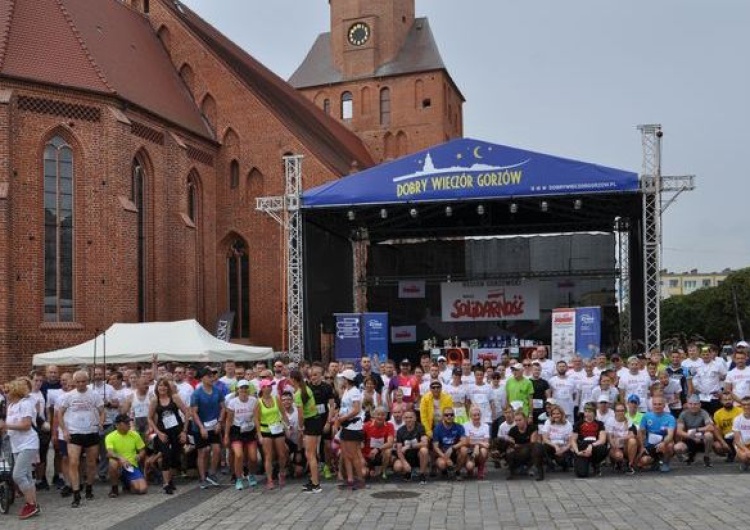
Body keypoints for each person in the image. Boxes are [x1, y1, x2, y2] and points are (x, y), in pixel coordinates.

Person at [58, 370, 105, 507]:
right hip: (74, 433)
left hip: (91, 432)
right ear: (74, 382)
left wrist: (101, 422)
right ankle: (76, 493)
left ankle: (89, 486)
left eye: (83, 381)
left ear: (87, 381)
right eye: (78, 382)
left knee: (91, 463)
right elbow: (60, 414)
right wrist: (64, 431)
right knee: (73, 462)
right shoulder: (69, 396)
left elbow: (102, 411)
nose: (80, 384)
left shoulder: (94, 395)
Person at [0, 378, 40, 519]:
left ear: (16, 391)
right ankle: (34, 503)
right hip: (16, 445)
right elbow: (9, 427)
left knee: (17, 475)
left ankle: (30, 505)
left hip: (29, 443)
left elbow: (26, 425)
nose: (5, 393)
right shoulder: (11, 406)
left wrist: (6, 426)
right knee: (27, 476)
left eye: (8, 390)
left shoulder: (26, 404)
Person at [149, 377, 190, 494]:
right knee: (165, 455)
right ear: (157, 388)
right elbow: (149, 418)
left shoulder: (175, 397)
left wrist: (184, 431)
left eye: (164, 385)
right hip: (163, 432)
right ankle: (166, 484)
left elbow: (186, 411)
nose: (162, 388)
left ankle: (170, 480)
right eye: (160, 385)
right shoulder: (154, 400)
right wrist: (158, 432)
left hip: (177, 431)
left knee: (175, 457)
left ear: (168, 387)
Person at [190, 367, 225, 489]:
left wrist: (220, 422)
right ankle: (202, 478)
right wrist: (201, 428)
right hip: (200, 427)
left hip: (214, 425)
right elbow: (194, 412)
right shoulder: (196, 393)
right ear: (202, 378)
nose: (212, 378)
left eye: (212, 376)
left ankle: (212, 473)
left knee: (216, 449)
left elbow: (223, 407)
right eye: (209, 376)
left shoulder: (217, 391)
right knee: (203, 451)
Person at [256, 378, 288, 490]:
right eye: (267, 386)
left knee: (282, 454)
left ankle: (282, 472)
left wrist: (287, 426)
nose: (269, 388)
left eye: (270, 386)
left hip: (278, 428)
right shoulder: (258, 402)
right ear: (262, 388)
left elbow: (283, 413)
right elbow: (256, 420)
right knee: (268, 455)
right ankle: (269, 479)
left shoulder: (276, 398)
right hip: (266, 430)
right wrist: (259, 435)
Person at [674, 395, 725, 467]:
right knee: (677, 447)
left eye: (695, 404)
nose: (693, 406)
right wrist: (692, 436)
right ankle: (688, 455)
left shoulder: (704, 413)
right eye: (690, 404)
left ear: (700, 405)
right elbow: (679, 431)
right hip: (689, 438)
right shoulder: (683, 414)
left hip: (702, 438)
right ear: (687, 404)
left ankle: (706, 457)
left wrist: (696, 430)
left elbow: (710, 427)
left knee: (709, 435)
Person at [105, 414, 148, 497]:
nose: (129, 425)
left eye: (129, 422)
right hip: (119, 465)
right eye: (126, 423)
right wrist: (121, 458)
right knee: (112, 462)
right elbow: (109, 453)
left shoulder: (135, 434)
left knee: (142, 489)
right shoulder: (110, 436)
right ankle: (114, 488)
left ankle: (127, 483)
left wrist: (139, 455)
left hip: (131, 465)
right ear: (117, 425)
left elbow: (142, 450)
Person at [336, 369, 366, 490]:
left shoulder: (354, 392)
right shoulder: (346, 391)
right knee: (346, 454)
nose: (341, 380)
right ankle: (350, 479)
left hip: (353, 426)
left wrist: (343, 418)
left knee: (353, 455)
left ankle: (360, 480)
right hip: (345, 425)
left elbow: (356, 409)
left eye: (342, 378)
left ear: (347, 379)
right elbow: (345, 407)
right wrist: (339, 417)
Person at [638, 395, 676, 472]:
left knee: (670, 444)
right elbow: (641, 433)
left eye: (659, 404)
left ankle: (665, 463)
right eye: (655, 404)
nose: (657, 406)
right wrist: (642, 446)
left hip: (664, 444)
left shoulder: (670, 418)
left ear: (664, 405)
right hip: (650, 444)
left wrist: (663, 443)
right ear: (652, 405)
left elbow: (670, 435)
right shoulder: (646, 416)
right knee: (643, 461)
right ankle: (655, 462)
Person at [505, 409, 545, 481]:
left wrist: (518, 445)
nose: (518, 422)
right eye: (516, 420)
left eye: (520, 420)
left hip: (530, 452)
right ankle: (514, 471)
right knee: (509, 452)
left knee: (536, 447)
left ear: (525, 419)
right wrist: (515, 446)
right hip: (518, 453)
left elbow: (532, 444)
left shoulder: (532, 428)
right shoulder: (512, 430)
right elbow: (511, 444)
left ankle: (539, 472)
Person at [570, 402, 608, 477]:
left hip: (594, 447)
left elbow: (602, 439)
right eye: (586, 411)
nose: (587, 414)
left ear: (594, 412)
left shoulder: (600, 424)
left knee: (602, 448)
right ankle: (581, 463)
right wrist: (577, 452)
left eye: (590, 411)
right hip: (582, 448)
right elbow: (573, 440)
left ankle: (595, 464)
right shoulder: (578, 424)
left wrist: (591, 446)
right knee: (582, 474)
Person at [394, 409, 429, 484]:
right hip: (406, 456)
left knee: (424, 450)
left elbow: (425, 443)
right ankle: (407, 472)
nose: (408, 420)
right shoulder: (400, 431)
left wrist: (409, 446)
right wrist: (404, 463)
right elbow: (399, 450)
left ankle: (422, 474)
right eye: (406, 418)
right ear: (403, 419)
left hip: (418, 456)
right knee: (397, 467)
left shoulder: (420, 427)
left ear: (415, 418)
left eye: (411, 417)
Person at [432, 407, 468, 480]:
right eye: (446, 415)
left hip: (455, 452)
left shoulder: (459, 426)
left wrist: (452, 448)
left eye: (451, 415)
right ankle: (444, 470)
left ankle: (457, 471)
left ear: (454, 416)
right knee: (442, 464)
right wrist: (446, 458)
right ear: (443, 416)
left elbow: (464, 441)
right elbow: (435, 447)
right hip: (442, 453)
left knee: (464, 449)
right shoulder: (437, 428)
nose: (449, 416)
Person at [361, 406, 395, 479]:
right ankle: (370, 468)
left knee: (388, 451)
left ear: (386, 416)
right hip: (367, 454)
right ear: (374, 415)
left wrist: (378, 449)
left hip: (380, 453)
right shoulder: (366, 426)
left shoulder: (390, 426)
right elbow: (359, 442)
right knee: (364, 474)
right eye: (378, 414)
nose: (380, 417)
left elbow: (390, 443)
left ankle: (383, 471)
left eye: (383, 415)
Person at [606, 402, 638, 474]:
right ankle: (617, 462)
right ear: (614, 412)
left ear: (625, 411)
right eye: (618, 411)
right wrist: (615, 447)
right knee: (618, 456)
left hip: (626, 446)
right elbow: (609, 437)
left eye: (622, 410)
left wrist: (620, 438)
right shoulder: (610, 420)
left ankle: (630, 465)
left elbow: (632, 435)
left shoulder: (629, 420)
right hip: (614, 446)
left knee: (632, 441)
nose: (620, 412)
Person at [541, 405, 573, 470]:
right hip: (551, 445)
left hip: (563, 446)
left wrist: (563, 449)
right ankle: (549, 463)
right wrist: (555, 446)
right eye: (553, 414)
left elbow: (571, 441)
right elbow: (545, 438)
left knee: (561, 461)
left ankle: (565, 463)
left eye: (558, 413)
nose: (556, 415)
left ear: (562, 414)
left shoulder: (568, 424)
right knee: (543, 447)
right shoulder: (548, 422)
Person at [714, 391, 742, 462]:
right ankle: (730, 453)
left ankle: (738, 453)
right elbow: (717, 430)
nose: (727, 401)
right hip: (726, 438)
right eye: (725, 400)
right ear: (721, 401)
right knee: (717, 445)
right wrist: (723, 442)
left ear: (733, 400)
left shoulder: (740, 411)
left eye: (729, 399)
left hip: (739, 436)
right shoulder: (717, 413)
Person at [464, 405, 490, 479]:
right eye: (474, 415)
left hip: (480, 449)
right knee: (469, 466)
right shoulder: (466, 425)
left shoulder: (486, 426)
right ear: (470, 416)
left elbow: (487, 444)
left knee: (484, 450)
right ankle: (470, 469)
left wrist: (477, 445)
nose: (477, 417)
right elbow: (467, 442)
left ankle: (481, 469)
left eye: (478, 415)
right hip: (470, 450)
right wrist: (479, 443)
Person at [732, 396, 750, 471]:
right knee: (744, 456)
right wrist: (747, 451)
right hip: (742, 445)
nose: (746, 406)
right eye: (744, 404)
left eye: (749, 404)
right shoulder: (737, 419)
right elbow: (737, 441)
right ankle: (745, 462)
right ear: (741, 406)